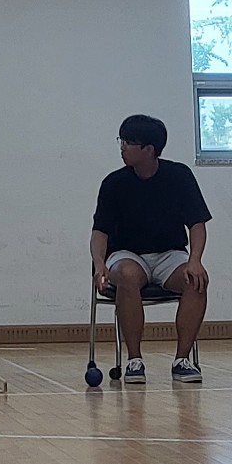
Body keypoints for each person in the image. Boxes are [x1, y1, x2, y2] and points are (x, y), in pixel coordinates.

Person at [90, 113, 211, 384]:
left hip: (170, 254)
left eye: (128, 142)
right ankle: (134, 360)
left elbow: (197, 224)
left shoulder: (179, 176)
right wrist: (99, 264)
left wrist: (195, 260)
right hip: (127, 254)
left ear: (149, 149)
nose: (122, 147)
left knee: (196, 281)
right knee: (127, 275)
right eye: (122, 140)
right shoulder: (114, 183)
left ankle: (182, 360)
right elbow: (100, 232)